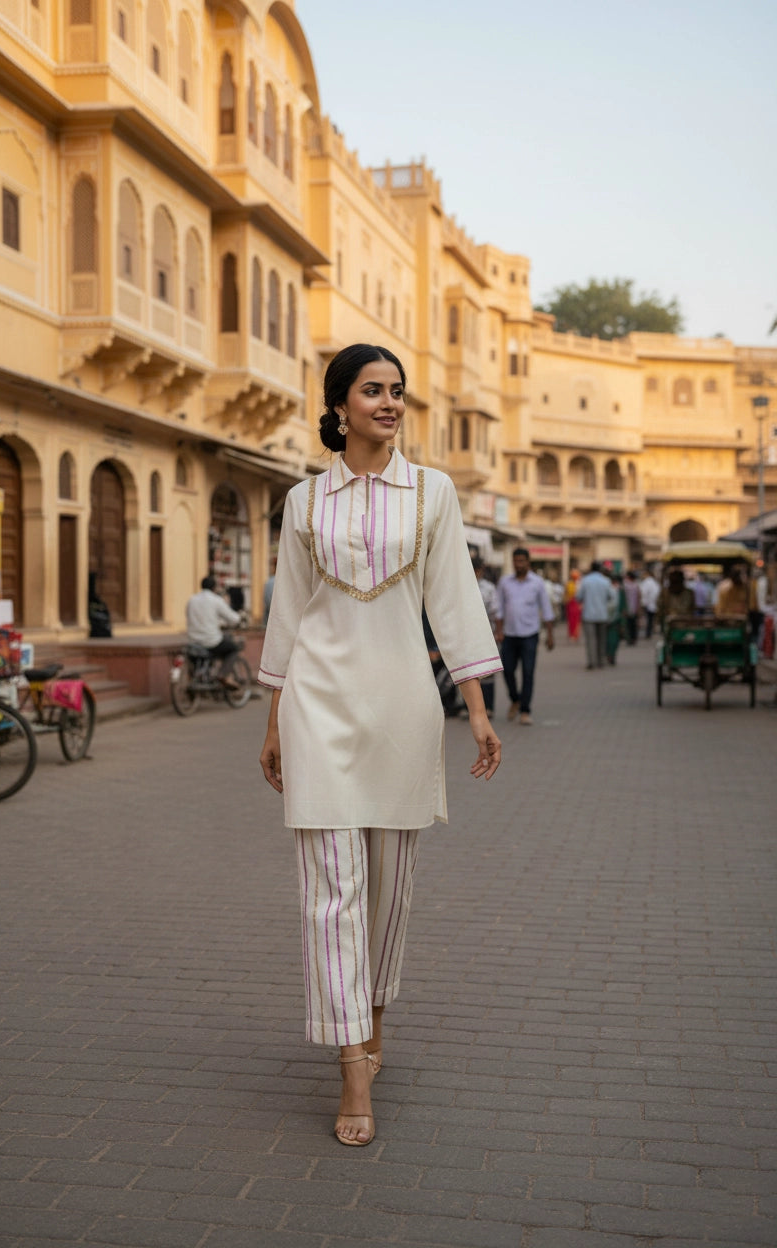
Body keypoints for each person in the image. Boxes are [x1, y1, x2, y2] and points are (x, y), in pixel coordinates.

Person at [257, 343, 502, 1148]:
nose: (390, 403)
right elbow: (289, 613)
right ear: (339, 408)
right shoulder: (303, 503)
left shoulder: (432, 492)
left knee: (388, 892)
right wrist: (272, 720)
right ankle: (352, 1069)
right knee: (331, 896)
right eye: (373, 391)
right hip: (317, 708)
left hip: (402, 707)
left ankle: (372, 1018)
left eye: (397, 391)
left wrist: (476, 706)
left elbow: (454, 599)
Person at [494, 547, 555, 725]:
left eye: (521, 561)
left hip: (530, 634)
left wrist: (550, 635)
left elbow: (547, 609)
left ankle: (525, 710)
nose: (518, 564)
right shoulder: (505, 582)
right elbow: (499, 608)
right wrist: (499, 631)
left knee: (528, 672)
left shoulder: (537, 583)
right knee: (507, 671)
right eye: (515, 561)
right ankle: (515, 698)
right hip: (509, 635)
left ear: (528, 562)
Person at [186, 575, 242, 688]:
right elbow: (233, 618)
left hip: (193, 640)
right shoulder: (216, 600)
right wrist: (241, 618)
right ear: (214, 587)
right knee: (234, 648)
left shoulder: (192, 600)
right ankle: (223, 675)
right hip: (211, 641)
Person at [576, 561, 617, 669]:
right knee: (601, 639)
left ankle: (591, 662)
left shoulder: (585, 581)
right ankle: (600, 661)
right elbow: (612, 596)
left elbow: (578, 597)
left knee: (590, 640)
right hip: (602, 614)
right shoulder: (606, 581)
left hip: (588, 615)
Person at [473, 556, 498, 716]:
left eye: (477, 570)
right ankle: (467, 707)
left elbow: (495, 611)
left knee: (487, 672)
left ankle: (488, 707)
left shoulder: (489, 588)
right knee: (468, 672)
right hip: (466, 636)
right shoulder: (458, 586)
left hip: (486, 634)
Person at [605, 572, 627, 665]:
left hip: (608, 619)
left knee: (610, 639)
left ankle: (609, 655)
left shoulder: (609, 589)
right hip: (615, 620)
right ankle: (611, 655)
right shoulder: (620, 591)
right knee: (613, 639)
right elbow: (624, 608)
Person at [640, 568, 660, 638]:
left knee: (649, 620)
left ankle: (648, 633)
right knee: (651, 620)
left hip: (648, 604)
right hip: (653, 604)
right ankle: (650, 632)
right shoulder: (655, 582)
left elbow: (643, 593)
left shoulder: (646, 582)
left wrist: (643, 603)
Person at [623, 570, 640, 645]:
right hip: (634, 608)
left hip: (627, 608)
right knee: (633, 625)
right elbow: (639, 597)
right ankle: (634, 639)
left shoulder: (625, 585)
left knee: (628, 625)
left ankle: (629, 639)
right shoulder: (636, 585)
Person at [564, 569, 581, 641]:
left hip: (577, 603)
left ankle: (575, 634)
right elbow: (565, 593)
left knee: (576, 620)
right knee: (571, 620)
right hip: (570, 603)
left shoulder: (579, 584)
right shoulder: (569, 584)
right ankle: (571, 634)